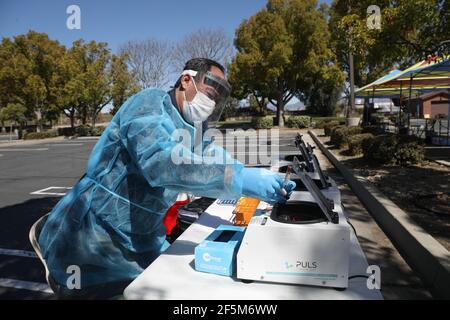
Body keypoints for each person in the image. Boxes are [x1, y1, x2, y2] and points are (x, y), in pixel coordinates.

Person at [37, 58, 295, 298]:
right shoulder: (149, 104)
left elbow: (212, 157)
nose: (212, 102)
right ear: (186, 80)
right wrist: (239, 178)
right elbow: (162, 164)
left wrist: (256, 179)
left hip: (143, 237)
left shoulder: (194, 127)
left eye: (217, 98)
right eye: (209, 93)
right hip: (93, 239)